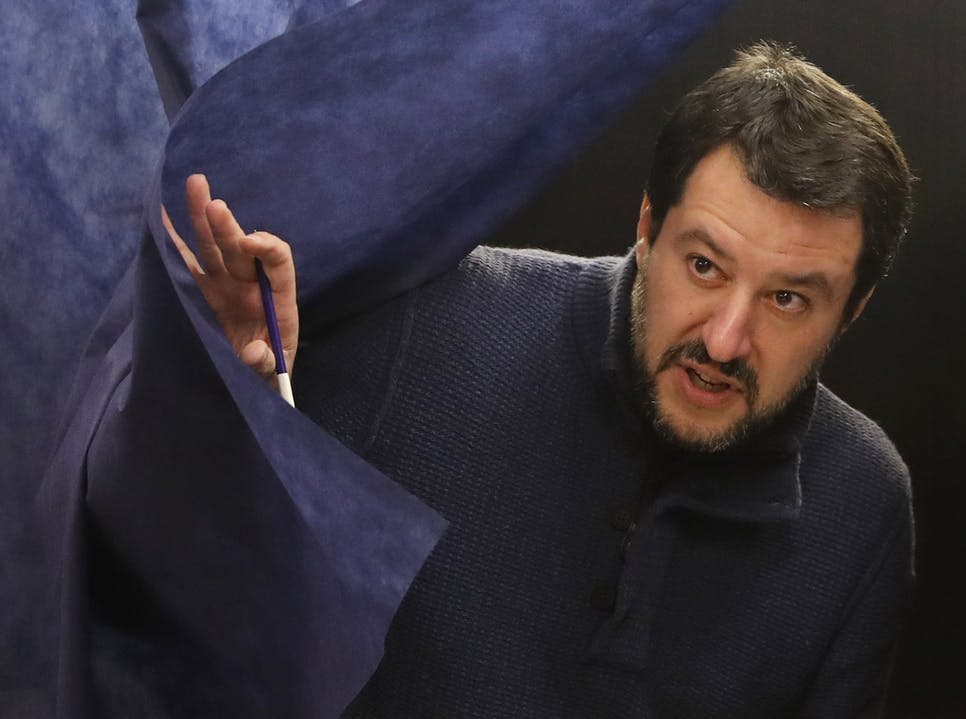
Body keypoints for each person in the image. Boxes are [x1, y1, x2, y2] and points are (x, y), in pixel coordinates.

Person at [167, 42, 915, 718]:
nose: (724, 341)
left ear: (851, 310)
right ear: (648, 227)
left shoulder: (863, 500)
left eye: (787, 299)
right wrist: (224, 394)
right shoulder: (429, 321)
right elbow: (213, 594)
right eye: (704, 266)